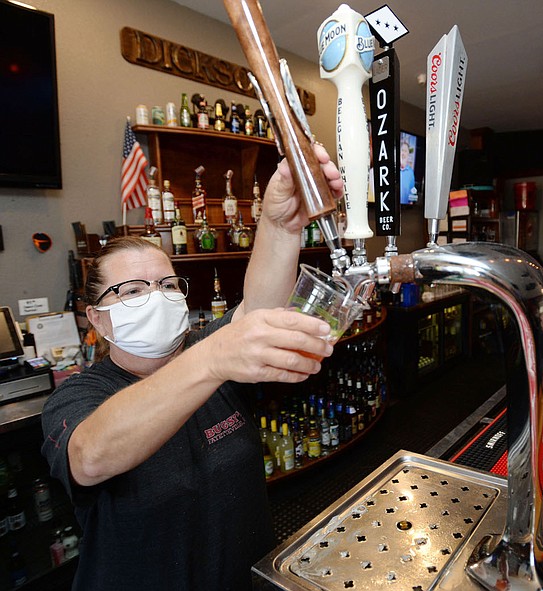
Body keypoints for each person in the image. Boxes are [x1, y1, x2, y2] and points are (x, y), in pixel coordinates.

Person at [41, 146, 344, 590]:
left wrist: (280, 224)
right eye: (132, 290)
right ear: (98, 317)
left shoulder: (207, 352)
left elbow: (258, 309)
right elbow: (90, 456)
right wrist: (212, 358)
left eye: (167, 285)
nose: (156, 297)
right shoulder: (78, 394)